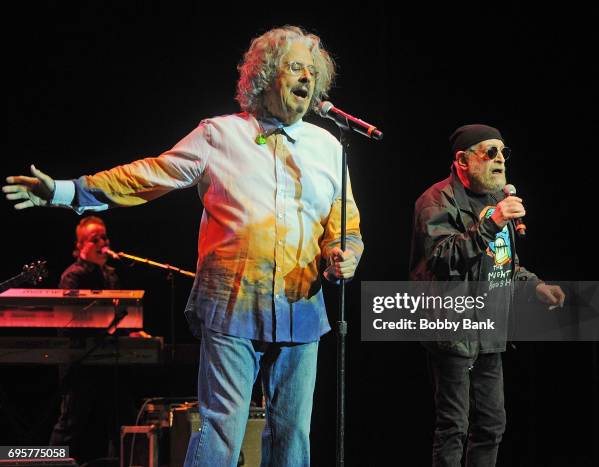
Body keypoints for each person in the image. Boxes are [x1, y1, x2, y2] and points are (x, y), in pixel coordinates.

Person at [3, 25, 363, 466]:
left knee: (293, 439)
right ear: (266, 75)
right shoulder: (220, 135)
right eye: (294, 67)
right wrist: (65, 190)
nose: (307, 78)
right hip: (233, 304)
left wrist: (343, 253)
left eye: (312, 71)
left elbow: (345, 225)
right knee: (221, 432)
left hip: (301, 310)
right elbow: (147, 175)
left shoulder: (328, 147)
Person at [409, 124, 564, 466]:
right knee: (454, 428)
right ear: (463, 160)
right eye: (489, 152)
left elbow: (502, 264)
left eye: (502, 152)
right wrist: (492, 222)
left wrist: (535, 285)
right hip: (452, 331)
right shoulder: (435, 200)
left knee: (492, 425)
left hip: (490, 331)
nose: (499, 160)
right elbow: (442, 258)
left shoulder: (498, 200)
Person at [50, 215, 125, 463]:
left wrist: (131, 332)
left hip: (107, 360)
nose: (103, 242)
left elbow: (121, 318)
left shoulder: (110, 275)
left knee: (117, 421)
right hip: (79, 361)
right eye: (95, 239)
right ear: (80, 246)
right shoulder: (72, 277)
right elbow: (72, 323)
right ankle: (50, 462)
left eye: (105, 237)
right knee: (72, 422)